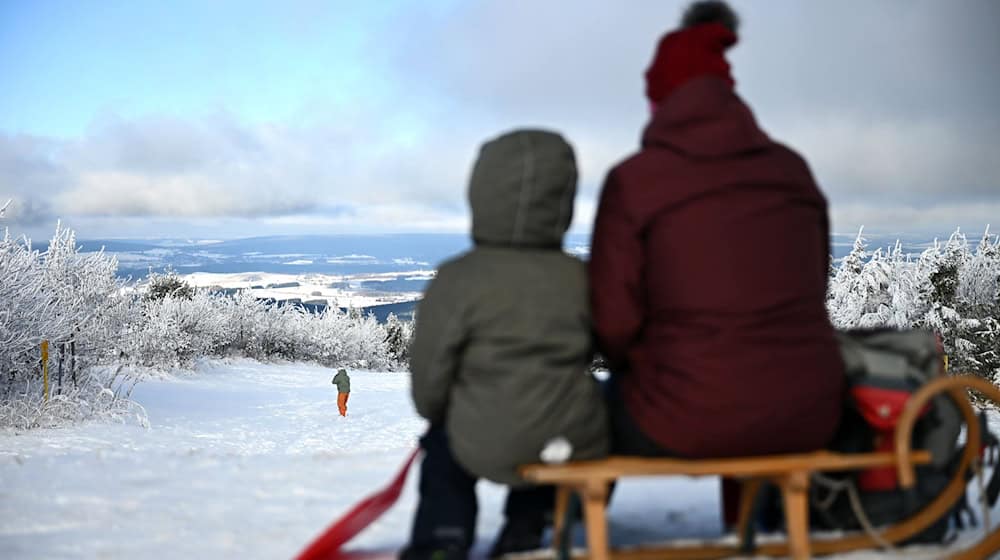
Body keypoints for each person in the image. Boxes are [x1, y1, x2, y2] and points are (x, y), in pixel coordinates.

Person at [588, 0, 845, 524]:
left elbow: (612, 324)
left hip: (678, 416)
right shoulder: (792, 171)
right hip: (809, 412)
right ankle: (759, 521)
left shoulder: (636, 181)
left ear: (662, 99)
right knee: (750, 383)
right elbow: (812, 288)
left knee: (590, 405)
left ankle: (557, 527)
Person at [402, 129, 609, 560]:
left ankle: (443, 536)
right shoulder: (582, 277)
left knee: (442, 450)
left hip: (479, 436)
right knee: (584, 424)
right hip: (568, 439)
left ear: (481, 191)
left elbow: (430, 376)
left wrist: (439, 416)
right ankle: (531, 522)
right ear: (563, 199)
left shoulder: (458, 278)